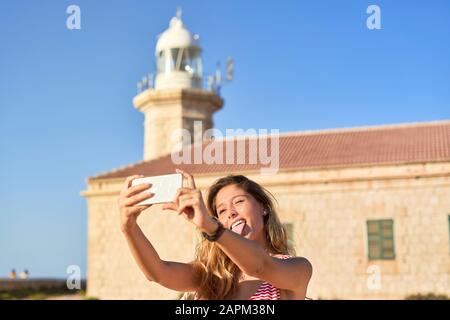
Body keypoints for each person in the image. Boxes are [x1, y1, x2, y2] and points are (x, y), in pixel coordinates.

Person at [119, 168, 312, 300]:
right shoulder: (211, 275)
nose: (231, 212)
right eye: (221, 211)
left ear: (263, 207)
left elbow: (260, 267)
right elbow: (158, 273)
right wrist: (129, 227)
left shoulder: (297, 268)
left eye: (239, 202)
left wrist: (211, 227)